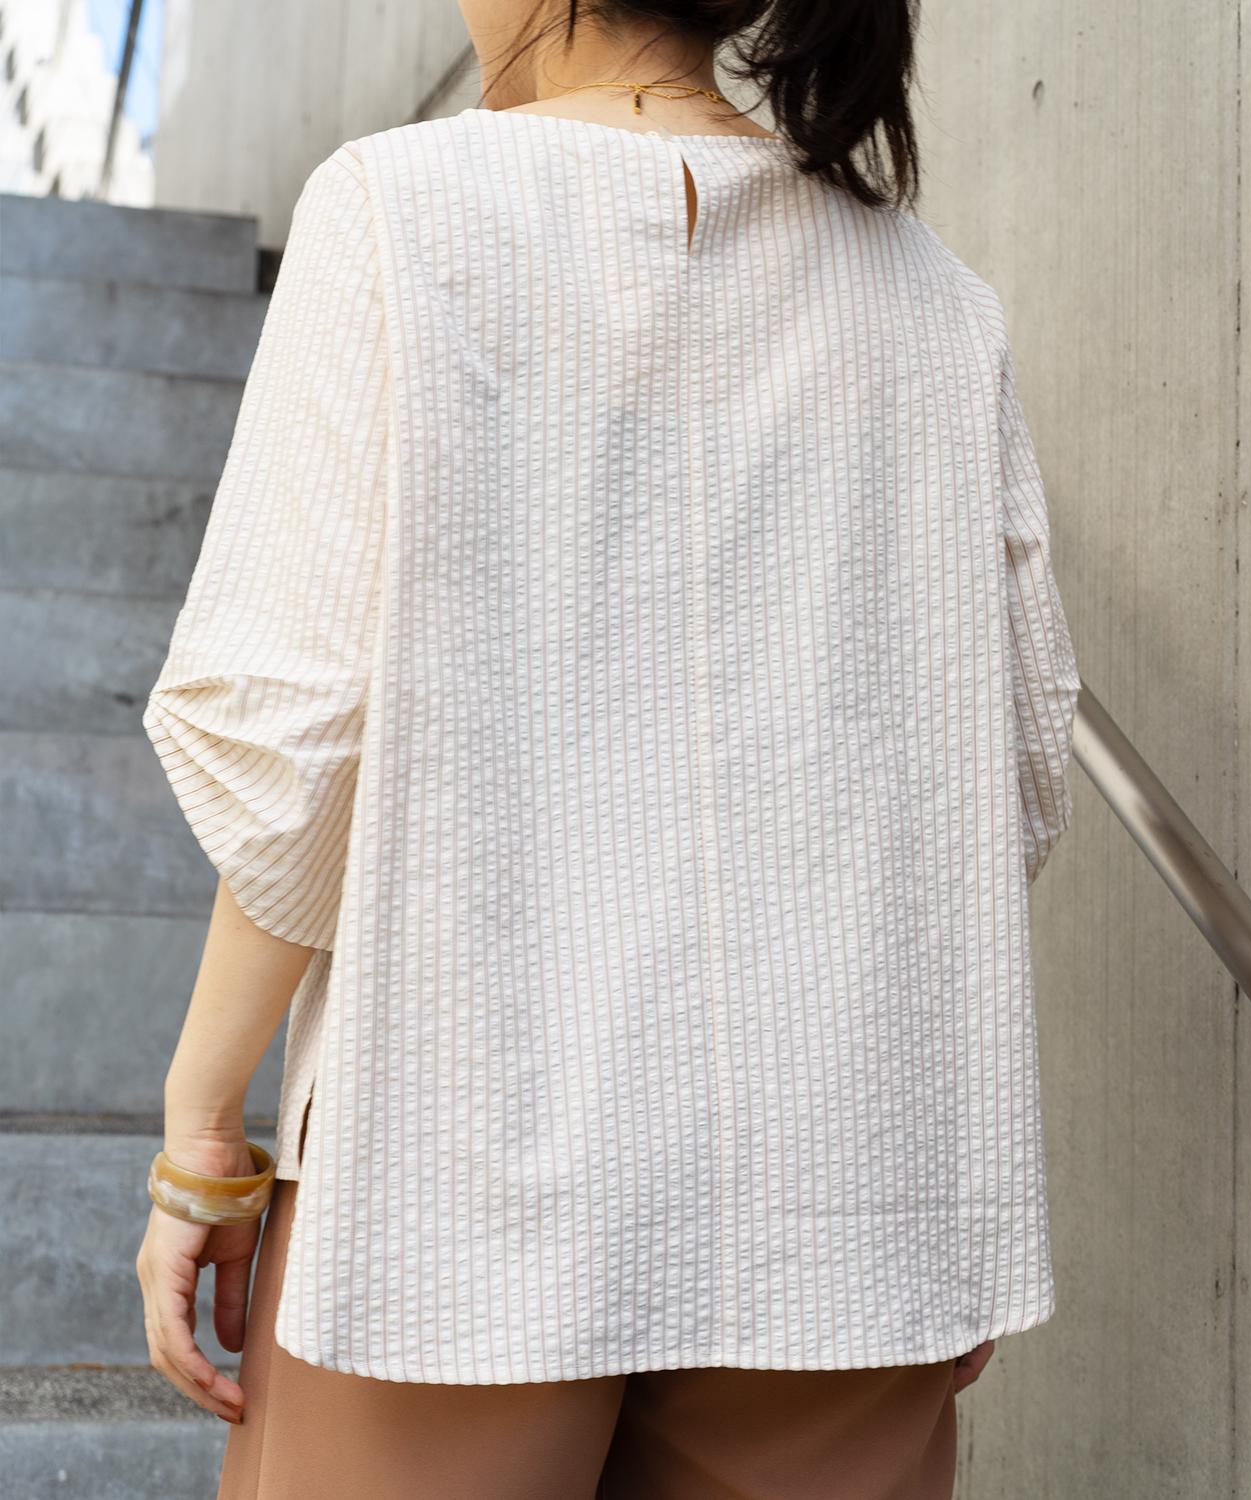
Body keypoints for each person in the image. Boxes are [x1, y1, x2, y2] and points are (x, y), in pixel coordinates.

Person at [134, 1, 1083, 1495]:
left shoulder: (398, 210)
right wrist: (942, 1192)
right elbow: (1011, 760)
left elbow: (297, 739)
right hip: (844, 1199)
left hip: (456, 1188)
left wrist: (203, 1129)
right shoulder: (935, 299)